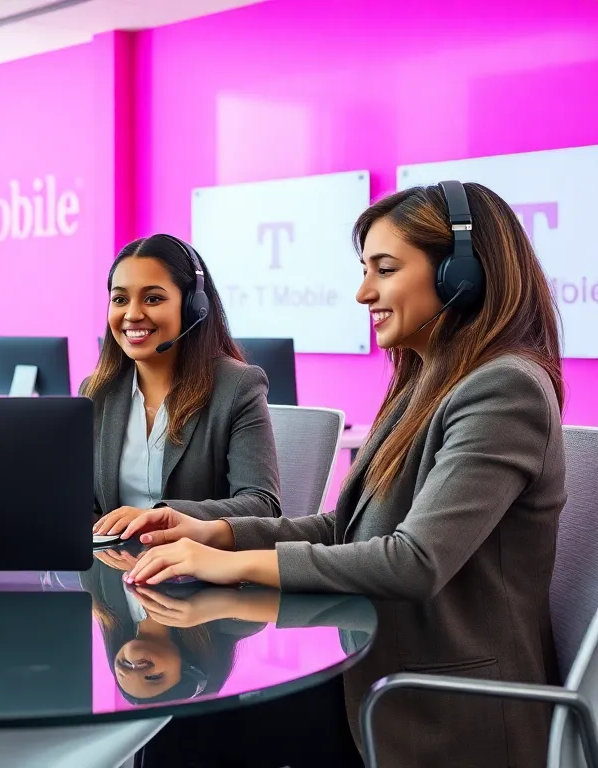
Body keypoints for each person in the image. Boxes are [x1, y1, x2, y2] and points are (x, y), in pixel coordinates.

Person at [125, 181, 565, 768]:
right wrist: (213, 532)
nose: (363, 293)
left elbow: (414, 561)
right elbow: (345, 527)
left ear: (461, 275)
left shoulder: (504, 389)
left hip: (445, 708)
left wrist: (230, 566)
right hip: (382, 675)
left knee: (201, 735)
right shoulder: (424, 383)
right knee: (188, 725)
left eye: (383, 270)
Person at [87, 234, 281, 540]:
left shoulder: (237, 387)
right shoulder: (98, 392)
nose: (132, 314)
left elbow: (261, 505)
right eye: (120, 299)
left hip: (201, 574)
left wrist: (159, 517)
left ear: (194, 307)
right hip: (114, 571)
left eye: (153, 298)